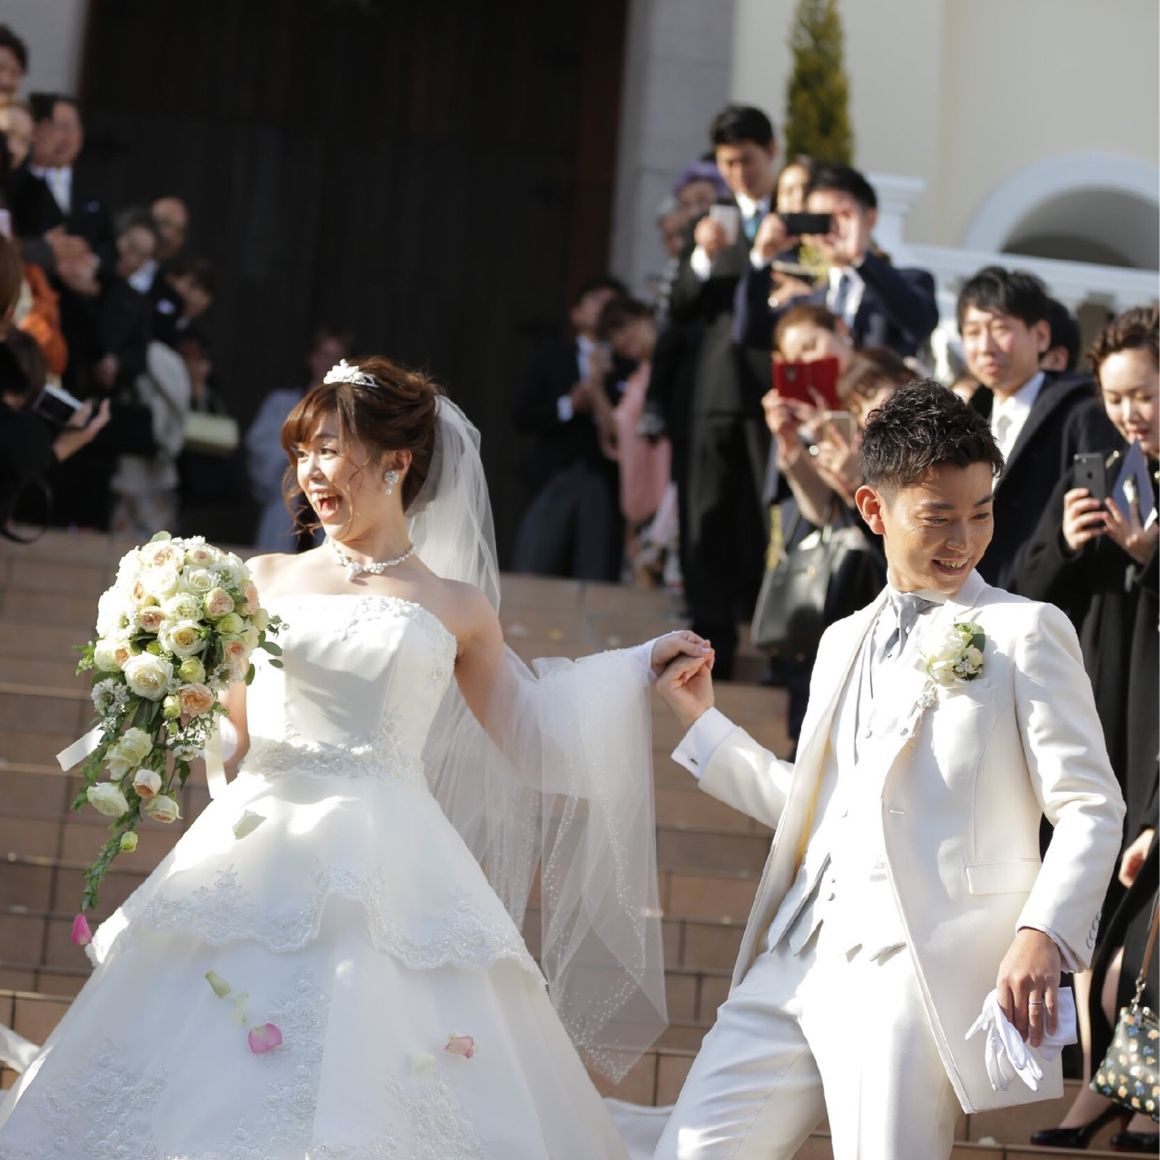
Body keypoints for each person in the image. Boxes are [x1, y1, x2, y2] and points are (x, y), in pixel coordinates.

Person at [0, 354, 711, 1156]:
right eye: (302, 453)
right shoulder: (259, 580)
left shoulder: (457, 606)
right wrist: (166, 696)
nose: (310, 472)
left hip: (394, 857)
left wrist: (635, 667)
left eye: (330, 450)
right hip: (256, 843)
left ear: (396, 461)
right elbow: (231, 736)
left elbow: (534, 736)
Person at [650, 380, 1125, 1159]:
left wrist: (1043, 933)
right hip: (793, 954)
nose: (964, 539)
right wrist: (701, 725)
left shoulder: (1025, 630)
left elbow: (1089, 805)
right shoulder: (841, 639)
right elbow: (822, 807)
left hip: (910, 969)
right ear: (874, 509)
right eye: (938, 517)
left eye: (981, 513)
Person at [668, 103, 779, 677]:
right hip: (714, 390)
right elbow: (681, 307)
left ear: (771, 153)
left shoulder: (793, 216)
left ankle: (772, 635)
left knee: (765, 517)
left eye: (747, 161)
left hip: (774, 390)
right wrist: (703, 256)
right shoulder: (711, 220)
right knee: (706, 515)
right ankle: (711, 644)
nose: (738, 173)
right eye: (728, 163)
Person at [958, 266, 1113, 589]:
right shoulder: (967, 419)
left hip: (1051, 602)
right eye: (972, 332)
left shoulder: (1081, 412)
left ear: (1041, 336)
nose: (985, 346)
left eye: (1000, 328)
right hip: (973, 598)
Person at [510, 274, 628, 582]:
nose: (604, 310)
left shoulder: (626, 362)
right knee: (536, 561)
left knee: (596, 568)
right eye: (597, 301)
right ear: (576, 313)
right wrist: (568, 405)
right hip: (555, 470)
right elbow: (522, 414)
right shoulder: (552, 357)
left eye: (612, 304)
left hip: (604, 477)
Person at [247, 325, 351, 550]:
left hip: (329, 511)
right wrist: (300, 450)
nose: (328, 364)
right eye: (324, 355)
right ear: (312, 358)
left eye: (336, 358)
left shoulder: (349, 414)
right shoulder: (282, 404)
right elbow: (261, 451)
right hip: (285, 504)